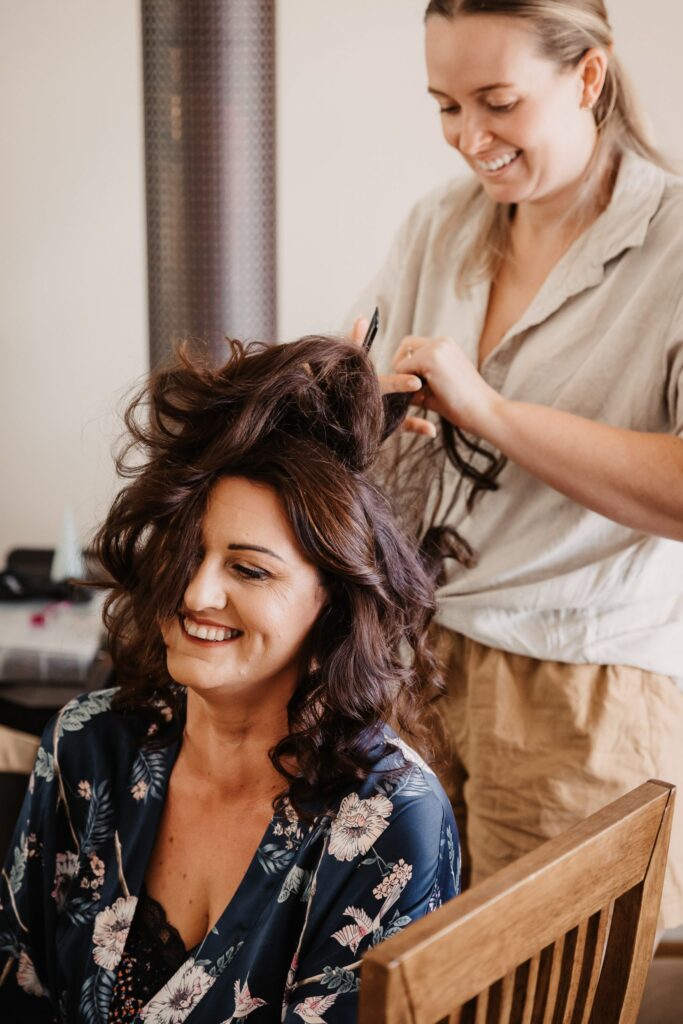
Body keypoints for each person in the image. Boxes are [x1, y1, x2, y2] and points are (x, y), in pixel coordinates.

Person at [0, 337, 460, 1023]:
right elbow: (19, 987)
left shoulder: (389, 821)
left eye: (249, 570)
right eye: (188, 551)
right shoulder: (86, 746)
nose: (195, 591)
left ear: (333, 602)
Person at [349, 0, 683, 930]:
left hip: (575, 695)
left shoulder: (674, 246)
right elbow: (361, 385)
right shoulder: (436, 226)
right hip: (411, 670)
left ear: (587, 77)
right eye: (446, 106)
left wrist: (489, 412)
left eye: (496, 101)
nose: (469, 138)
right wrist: (359, 400)